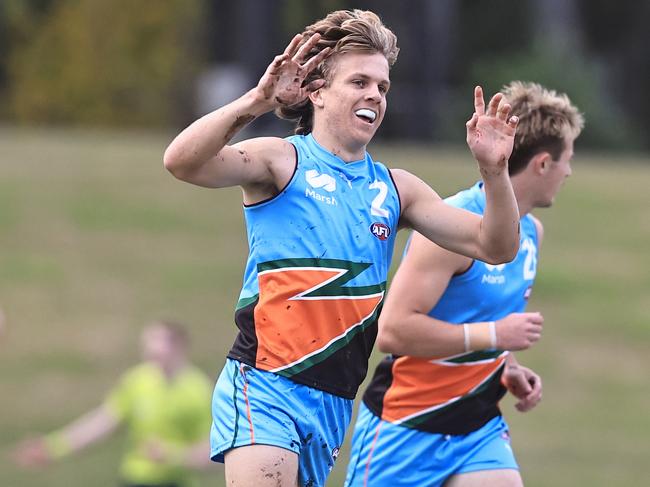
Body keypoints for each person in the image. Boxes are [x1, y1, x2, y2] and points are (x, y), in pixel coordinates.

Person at [163, 9, 521, 487]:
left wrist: (495, 174)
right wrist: (256, 101)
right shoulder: (281, 160)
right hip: (265, 384)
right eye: (359, 82)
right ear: (317, 92)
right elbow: (182, 162)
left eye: (383, 86)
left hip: (333, 402)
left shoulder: (397, 189)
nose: (374, 94)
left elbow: (494, 246)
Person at [344, 81, 584, 487]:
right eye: (567, 160)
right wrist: (494, 335)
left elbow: (480, 320)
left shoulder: (532, 235)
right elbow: (394, 331)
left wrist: (507, 366)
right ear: (543, 164)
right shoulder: (454, 227)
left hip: (478, 425)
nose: (570, 171)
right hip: (407, 423)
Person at [13, 320, 214, 487]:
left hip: (175, 482)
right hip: (133, 480)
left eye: (159, 346)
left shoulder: (199, 391)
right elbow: (102, 424)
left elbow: (211, 451)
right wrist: (53, 447)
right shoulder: (137, 381)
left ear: (179, 347)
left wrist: (172, 456)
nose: (150, 353)